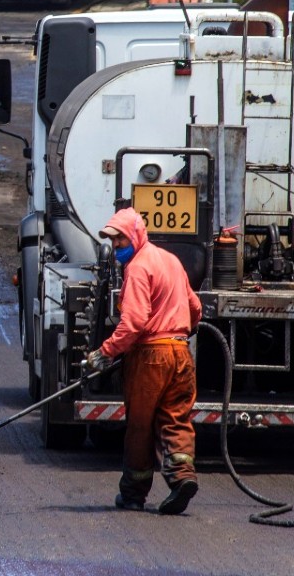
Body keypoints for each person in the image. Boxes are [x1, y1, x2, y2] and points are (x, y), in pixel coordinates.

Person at [86, 206, 202, 516]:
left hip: (151, 356)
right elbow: (195, 307)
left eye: (121, 241)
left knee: (140, 425)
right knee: (176, 418)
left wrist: (105, 351)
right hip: (180, 353)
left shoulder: (137, 267)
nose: (117, 248)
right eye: (114, 242)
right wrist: (180, 331)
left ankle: (134, 494)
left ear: (136, 236)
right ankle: (182, 478)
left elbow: (134, 322)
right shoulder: (171, 261)